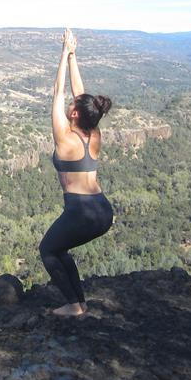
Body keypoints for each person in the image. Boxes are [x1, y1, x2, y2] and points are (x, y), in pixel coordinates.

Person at [40, 28, 113, 317]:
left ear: (73, 115)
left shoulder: (65, 138)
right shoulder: (93, 134)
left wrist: (62, 53)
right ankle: (79, 303)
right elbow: (82, 96)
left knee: (48, 250)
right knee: (60, 249)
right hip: (102, 210)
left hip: (81, 212)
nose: (71, 103)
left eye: (72, 107)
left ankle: (73, 306)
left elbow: (59, 93)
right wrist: (73, 56)